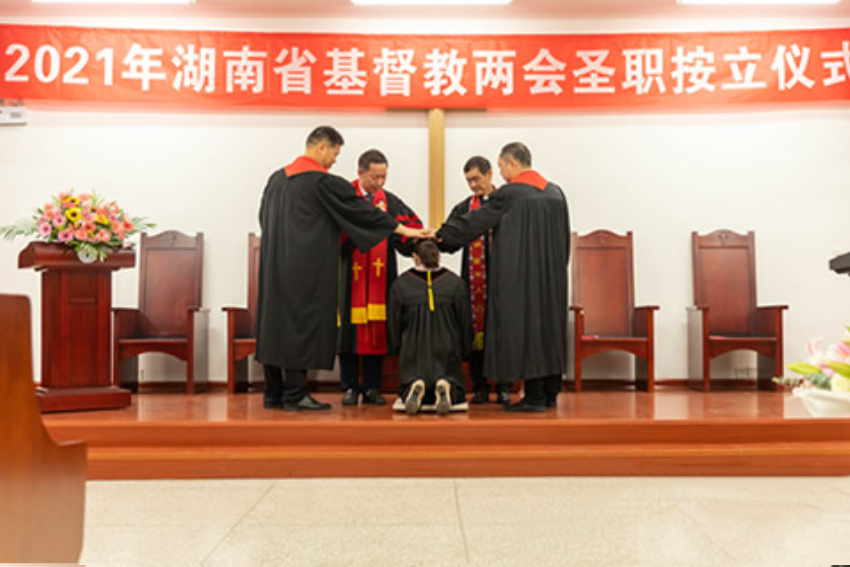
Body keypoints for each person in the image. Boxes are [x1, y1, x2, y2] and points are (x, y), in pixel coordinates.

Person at [256, 126, 429, 412]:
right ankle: (295, 394)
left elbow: (263, 218)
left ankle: (273, 393)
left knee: (276, 325)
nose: (335, 161)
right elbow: (360, 211)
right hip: (305, 268)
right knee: (300, 324)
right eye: (335, 154)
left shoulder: (276, 179)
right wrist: (403, 230)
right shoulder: (321, 182)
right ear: (321, 148)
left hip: (275, 265)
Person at [435, 142, 570, 412]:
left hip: (521, 280)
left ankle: (534, 398)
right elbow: (565, 239)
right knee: (548, 331)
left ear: (512, 164)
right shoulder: (556, 193)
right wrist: (555, 273)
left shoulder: (509, 194)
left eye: (500, 167)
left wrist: (440, 236)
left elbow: (474, 222)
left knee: (527, 331)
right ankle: (550, 393)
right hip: (552, 280)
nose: (501, 174)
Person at [337, 149, 423, 406]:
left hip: (379, 277)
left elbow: (410, 228)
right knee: (349, 331)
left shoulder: (389, 201)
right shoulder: (344, 197)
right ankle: (350, 386)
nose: (380, 182)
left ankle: (372, 386)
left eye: (384, 176)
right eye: (375, 177)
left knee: (376, 329)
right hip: (349, 274)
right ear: (360, 173)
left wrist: (419, 246)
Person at [440, 156, 510, 405]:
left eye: (477, 179)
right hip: (474, 285)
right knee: (475, 334)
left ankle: (504, 386)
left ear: (490, 174)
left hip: (503, 282)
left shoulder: (506, 204)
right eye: (468, 181)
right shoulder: (464, 209)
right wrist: (432, 238)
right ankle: (480, 386)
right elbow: (449, 239)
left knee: (502, 333)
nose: (473, 185)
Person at [388, 239, 472, 416]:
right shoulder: (455, 284)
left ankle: (415, 384)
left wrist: (396, 347)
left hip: (414, 350)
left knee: (409, 382)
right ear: (438, 256)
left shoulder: (401, 285)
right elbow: (465, 322)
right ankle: (446, 384)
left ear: (415, 257)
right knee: (455, 386)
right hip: (447, 347)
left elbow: (394, 323)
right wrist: (466, 348)